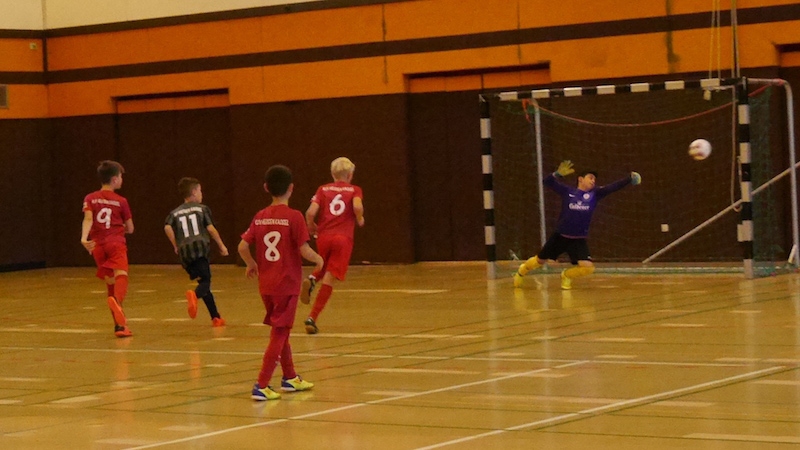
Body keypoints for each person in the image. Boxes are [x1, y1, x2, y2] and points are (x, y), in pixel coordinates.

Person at [238, 165, 324, 401]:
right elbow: (304, 249)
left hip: (266, 285)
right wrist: (319, 260)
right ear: (292, 188)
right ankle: (262, 384)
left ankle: (290, 377)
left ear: (266, 188)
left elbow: (242, 246)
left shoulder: (260, 216)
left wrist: (251, 264)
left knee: (281, 327)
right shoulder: (294, 217)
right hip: (287, 284)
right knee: (280, 331)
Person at [513, 160, 641, 290]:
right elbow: (547, 182)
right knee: (540, 260)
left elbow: (612, 187)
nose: (593, 181)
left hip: (578, 240)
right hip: (560, 236)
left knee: (588, 268)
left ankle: (566, 275)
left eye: (594, 179)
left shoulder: (595, 194)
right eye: (590, 178)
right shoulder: (567, 191)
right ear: (580, 179)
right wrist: (557, 174)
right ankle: (521, 271)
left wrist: (629, 179)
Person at [301, 157, 365, 335]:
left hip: (324, 236)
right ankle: (312, 317)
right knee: (330, 277)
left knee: (323, 265)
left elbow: (310, 212)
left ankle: (312, 279)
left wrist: (311, 225)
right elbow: (357, 207)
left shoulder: (323, 189)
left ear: (332, 174)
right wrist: (359, 219)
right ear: (350, 175)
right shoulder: (354, 190)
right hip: (343, 238)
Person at [164, 177, 229, 327]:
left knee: (203, 282)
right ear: (193, 192)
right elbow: (210, 229)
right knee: (205, 282)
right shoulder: (202, 209)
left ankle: (215, 317)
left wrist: (175, 245)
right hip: (199, 249)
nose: (201, 194)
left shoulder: (175, 212)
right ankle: (194, 295)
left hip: (185, 252)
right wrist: (221, 245)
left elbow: (167, 227)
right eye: (200, 191)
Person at [80, 160, 134, 338]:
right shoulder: (121, 201)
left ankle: (120, 327)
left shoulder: (90, 198)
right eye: (120, 177)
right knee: (122, 276)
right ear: (114, 179)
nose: (122, 180)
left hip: (97, 245)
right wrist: (120, 228)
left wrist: (84, 238)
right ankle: (117, 303)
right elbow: (130, 228)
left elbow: (88, 219)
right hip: (115, 243)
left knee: (111, 283)